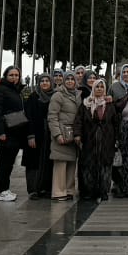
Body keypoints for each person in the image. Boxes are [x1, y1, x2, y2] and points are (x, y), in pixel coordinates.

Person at [76, 79, 121, 202]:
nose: (99, 89)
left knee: (105, 166)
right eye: (97, 87)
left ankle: (103, 191)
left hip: (107, 141)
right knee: (88, 166)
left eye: (102, 87)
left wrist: (117, 138)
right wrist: (77, 135)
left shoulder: (109, 105)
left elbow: (115, 123)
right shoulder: (85, 104)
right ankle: (89, 191)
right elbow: (79, 121)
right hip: (89, 140)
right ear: (93, 89)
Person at [0, 66, 30, 202]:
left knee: (9, 163)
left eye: (16, 75)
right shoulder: (1, 90)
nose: (14, 78)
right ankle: (1, 191)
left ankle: (4, 189)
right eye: (11, 75)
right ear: (5, 76)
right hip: (6, 133)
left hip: (15, 132)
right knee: (4, 162)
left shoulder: (15, 90)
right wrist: (0, 132)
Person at [48, 71, 80, 202]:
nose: (70, 81)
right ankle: (58, 192)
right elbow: (52, 116)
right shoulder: (58, 95)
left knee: (72, 163)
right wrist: (57, 134)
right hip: (62, 134)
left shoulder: (78, 95)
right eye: (68, 79)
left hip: (72, 135)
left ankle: (69, 190)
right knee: (60, 164)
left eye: (72, 79)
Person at [24, 74, 55, 198]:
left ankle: (45, 188)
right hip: (36, 133)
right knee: (34, 162)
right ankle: (33, 189)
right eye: (42, 81)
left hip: (49, 134)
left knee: (48, 162)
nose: (45, 83)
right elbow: (28, 116)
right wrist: (30, 135)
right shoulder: (33, 97)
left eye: (47, 81)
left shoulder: (54, 96)